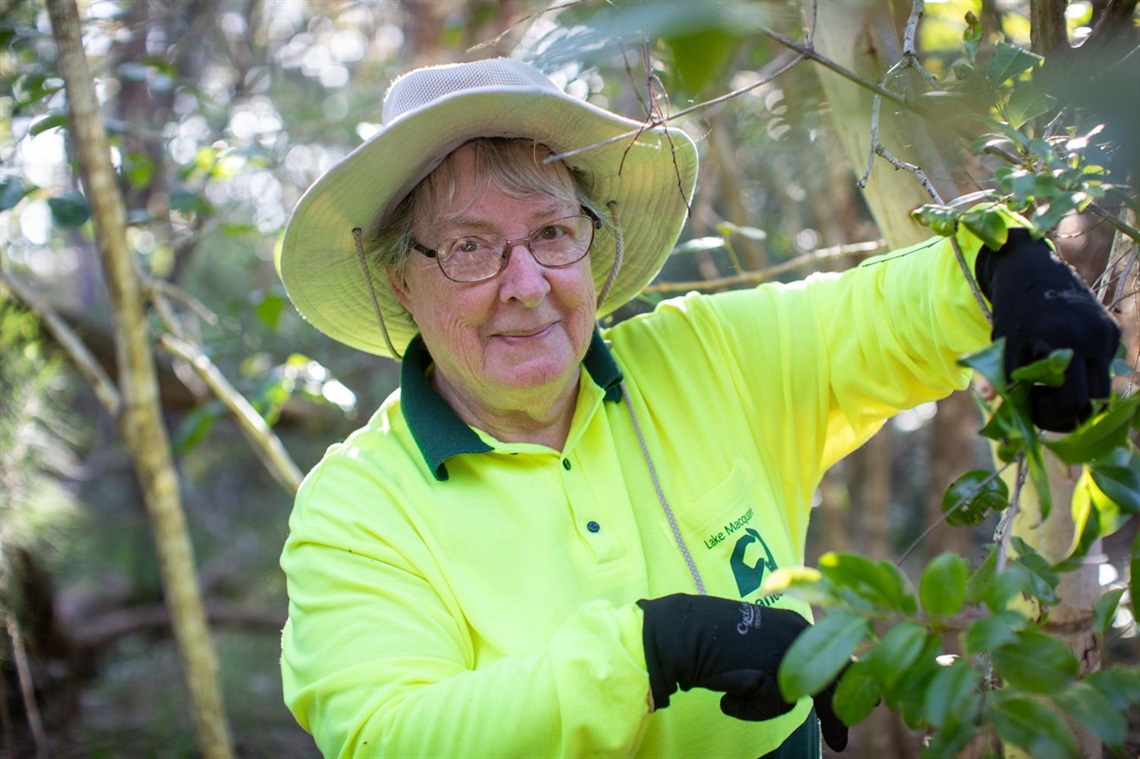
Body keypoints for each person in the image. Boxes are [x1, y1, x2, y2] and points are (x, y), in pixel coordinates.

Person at [276, 58, 1120, 757]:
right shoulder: (356, 506)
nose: (526, 285)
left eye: (551, 233)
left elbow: (884, 309)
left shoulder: (701, 355)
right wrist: (651, 649)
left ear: (592, 241)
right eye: (469, 247)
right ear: (401, 280)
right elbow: (389, 735)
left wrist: (1005, 267)